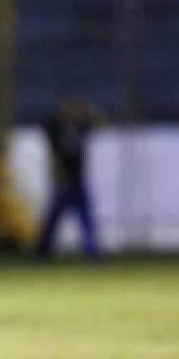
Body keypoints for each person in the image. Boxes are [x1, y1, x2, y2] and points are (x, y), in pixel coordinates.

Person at [36, 99, 103, 258]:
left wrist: (89, 112)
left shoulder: (81, 127)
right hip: (63, 179)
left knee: (85, 218)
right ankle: (43, 249)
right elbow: (46, 129)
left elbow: (100, 123)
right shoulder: (56, 127)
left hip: (78, 179)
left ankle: (91, 250)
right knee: (55, 218)